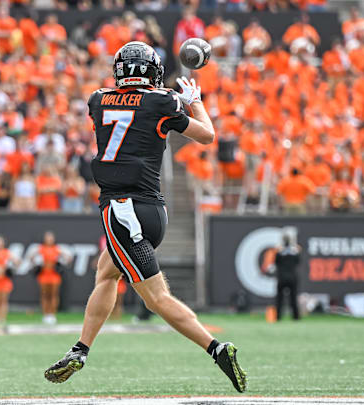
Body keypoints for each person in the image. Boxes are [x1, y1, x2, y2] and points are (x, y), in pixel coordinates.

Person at [44, 42, 246, 392]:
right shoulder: (163, 101)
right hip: (151, 210)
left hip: (123, 210)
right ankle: (80, 350)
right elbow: (207, 135)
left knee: (155, 298)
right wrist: (193, 99)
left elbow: (126, 106)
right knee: (106, 272)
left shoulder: (98, 99)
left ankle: (216, 349)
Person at [29, 231, 72, 325]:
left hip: (54, 276)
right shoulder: (41, 249)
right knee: (44, 295)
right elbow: (31, 257)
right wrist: (36, 263)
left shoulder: (56, 249)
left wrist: (62, 262)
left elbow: (68, 258)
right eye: (47, 238)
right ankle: (45, 314)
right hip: (44, 275)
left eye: (50, 238)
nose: (49, 239)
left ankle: (52, 314)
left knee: (53, 295)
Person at [264, 228, 301, 321]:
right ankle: (296, 317)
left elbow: (276, 263)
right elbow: (298, 262)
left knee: (279, 299)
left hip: (281, 277)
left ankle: (278, 317)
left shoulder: (279, 252)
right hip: (292, 277)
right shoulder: (294, 252)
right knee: (293, 298)